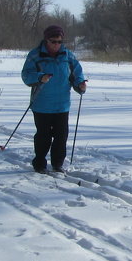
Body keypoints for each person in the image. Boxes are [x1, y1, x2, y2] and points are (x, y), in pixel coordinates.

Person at [21, 24, 87, 173]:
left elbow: (77, 73)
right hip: (41, 104)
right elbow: (26, 75)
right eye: (53, 41)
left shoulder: (67, 55)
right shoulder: (35, 55)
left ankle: (57, 164)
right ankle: (39, 163)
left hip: (62, 104)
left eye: (59, 42)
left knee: (61, 136)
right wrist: (40, 77)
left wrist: (80, 84)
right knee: (43, 136)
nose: (57, 45)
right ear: (46, 40)